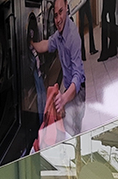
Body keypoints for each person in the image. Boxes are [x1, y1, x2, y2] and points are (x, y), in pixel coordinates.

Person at [30, 0, 86, 138]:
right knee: (69, 130)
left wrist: (64, 98)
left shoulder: (72, 36)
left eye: (60, 12)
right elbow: (46, 44)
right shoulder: (58, 35)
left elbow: (78, 75)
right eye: (55, 15)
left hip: (77, 91)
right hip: (68, 89)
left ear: (66, 8)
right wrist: (31, 44)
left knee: (71, 131)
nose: (58, 19)